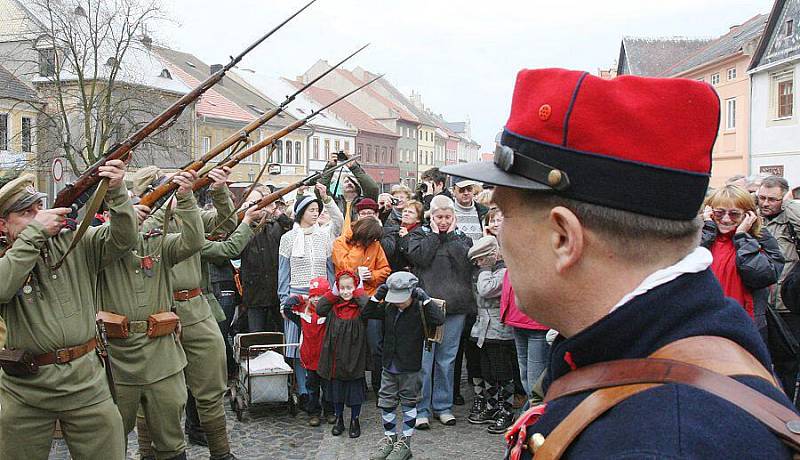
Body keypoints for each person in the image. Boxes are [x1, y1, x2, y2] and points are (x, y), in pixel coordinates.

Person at [441, 68, 799, 458]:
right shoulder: (675, 342)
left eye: (504, 215)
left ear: (563, 237)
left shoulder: (661, 441)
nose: (499, 235)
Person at [0, 163, 136, 460]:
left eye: (39, 208)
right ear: (3, 225)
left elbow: (124, 240)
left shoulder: (75, 241)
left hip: (85, 381)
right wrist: (34, 236)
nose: (39, 218)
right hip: (25, 389)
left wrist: (117, 193)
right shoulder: (8, 257)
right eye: (26, 214)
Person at [97, 170, 203, 460]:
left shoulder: (158, 243)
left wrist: (186, 198)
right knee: (111, 441)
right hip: (119, 360)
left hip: (161, 357)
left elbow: (193, 241)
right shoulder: (99, 251)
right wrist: (122, 220)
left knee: (170, 441)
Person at [138, 166, 239, 460]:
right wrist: (166, 204)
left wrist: (219, 191)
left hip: (195, 308)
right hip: (156, 313)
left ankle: (221, 453)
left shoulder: (188, 215)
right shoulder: (143, 219)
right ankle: (147, 454)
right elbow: (137, 236)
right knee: (151, 391)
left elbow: (225, 222)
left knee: (211, 384)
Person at [405, 194, 474, 428]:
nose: (443, 221)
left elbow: (464, 263)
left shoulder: (462, 238)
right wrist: (435, 235)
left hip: (455, 306)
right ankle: (421, 408)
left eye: (447, 217)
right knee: (425, 361)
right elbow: (421, 258)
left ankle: (443, 406)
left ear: (453, 216)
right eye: (439, 217)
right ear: (430, 216)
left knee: (447, 360)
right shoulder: (419, 235)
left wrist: (451, 236)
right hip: (427, 305)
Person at [364, 272, 445, 460]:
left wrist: (425, 299)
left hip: (410, 366)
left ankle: (405, 442)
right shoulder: (389, 308)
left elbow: (439, 319)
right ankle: (390, 438)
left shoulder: (419, 308)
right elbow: (366, 313)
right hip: (389, 364)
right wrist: (379, 294)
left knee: (409, 402)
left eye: (402, 298)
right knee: (386, 402)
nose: (399, 302)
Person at [701, 186, 784, 338]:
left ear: (748, 215)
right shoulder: (701, 238)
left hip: (745, 326)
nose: (726, 219)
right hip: (704, 325)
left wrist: (742, 237)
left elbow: (762, 276)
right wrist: (707, 231)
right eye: (719, 213)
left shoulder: (761, 239)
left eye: (734, 214)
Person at [278, 195, 336, 406]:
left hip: (320, 298)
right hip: (297, 295)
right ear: (301, 212)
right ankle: (303, 390)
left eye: (317, 210)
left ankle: (322, 391)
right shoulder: (288, 238)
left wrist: (331, 298)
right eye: (311, 209)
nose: (315, 214)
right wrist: (284, 300)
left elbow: (330, 270)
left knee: (319, 342)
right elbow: (283, 272)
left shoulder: (324, 237)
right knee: (298, 345)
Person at [333, 216, 391, 394]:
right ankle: (358, 384)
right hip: (349, 301)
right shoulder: (341, 243)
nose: (373, 243)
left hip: (372, 299)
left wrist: (371, 276)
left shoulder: (375, 245)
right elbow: (343, 267)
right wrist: (358, 263)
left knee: (375, 344)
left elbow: (386, 269)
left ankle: (378, 383)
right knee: (352, 345)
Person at [466, 236, 517, 434]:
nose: (478, 264)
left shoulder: (504, 271)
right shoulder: (481, 271)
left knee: (502, 372)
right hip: (481, 328)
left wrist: (486, 267)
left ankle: (507, 410)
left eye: (481, 260)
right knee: (486, 370)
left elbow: (486, 290)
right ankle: (492, 406)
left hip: (499, 329)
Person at [757, 175, 800, 399]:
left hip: (787, 305)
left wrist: (790, 203)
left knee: (790, 360)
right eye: (761, 197)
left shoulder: (791, 220)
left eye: (772, 199)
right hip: (763, 305)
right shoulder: (754, 218)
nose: (765, 203)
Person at [316, 270, 371, 438]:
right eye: (342, 288)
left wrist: (360, 292)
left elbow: (371, 309)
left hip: (355, 356)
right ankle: (339, 418)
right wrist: (332, 294)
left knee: (354, 392)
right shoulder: (333, 307)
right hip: (336, 356)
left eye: (350, 288)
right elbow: (319, 308)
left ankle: (355, 419)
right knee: (337, 392)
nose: (346, 292)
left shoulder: (360, 307)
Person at [239, 185, 294, 333]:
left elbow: (294, 230)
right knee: (256, 337)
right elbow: (232, 249)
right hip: (254, 295)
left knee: (284, 336)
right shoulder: (241, 228)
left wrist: (276, 211)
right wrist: (243, 216)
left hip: (276, 292)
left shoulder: (275, 225)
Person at [282, 277, 336, 427]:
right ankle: (314, 413)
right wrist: (301, 297)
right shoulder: (302, 315)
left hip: (326, 359)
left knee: (328, 388)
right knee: (312, 388)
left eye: (321, 296)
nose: (317, 299)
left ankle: (330, 412)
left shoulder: (331, 315)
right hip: (309, 359)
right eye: (314, 296)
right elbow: (287, 309)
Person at [500, 271, 549, 407]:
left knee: (534, 378)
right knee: (525, 375)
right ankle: (531, 412)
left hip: (535, 322)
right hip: (518, 319)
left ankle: (534, 414)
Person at [317, 152, 380, 221]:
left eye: (352, 181)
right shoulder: (335, 202)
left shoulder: (364, 202)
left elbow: (372, 188)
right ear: (341, 186)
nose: (349, 183)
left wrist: (355, 168)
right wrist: (330, 166)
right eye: (346, 181)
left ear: (358, 186)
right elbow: (320, 190)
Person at [382, 200, 424, 272]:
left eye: (410, 212)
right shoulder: (396, 228)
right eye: (405, 211)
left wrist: (405, 238)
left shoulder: (420, 234)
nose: (406, 214)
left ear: (418, 219)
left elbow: (415, 258)